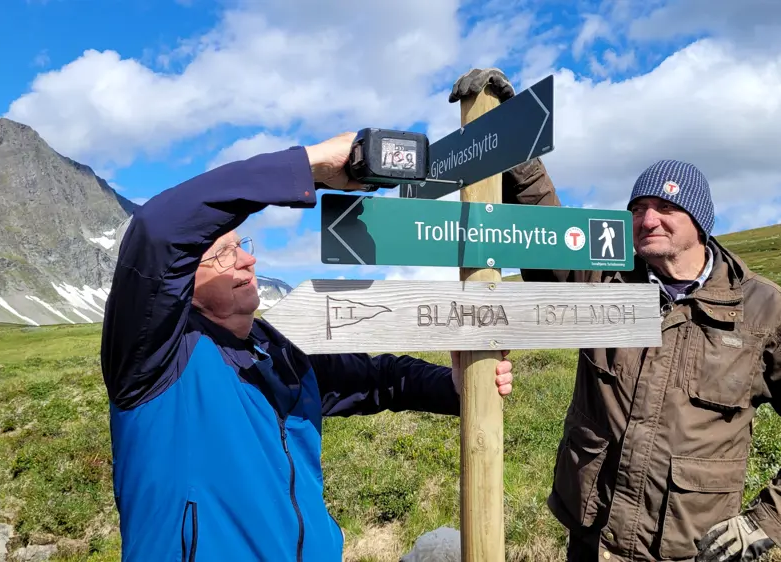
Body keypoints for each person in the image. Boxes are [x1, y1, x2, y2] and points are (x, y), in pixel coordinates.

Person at [449, 69, 781, 561]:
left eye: (667, 207)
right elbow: (545, 227)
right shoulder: (606, 283)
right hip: (591, 542)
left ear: (701, 222)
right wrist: (513, 131)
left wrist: (767, 521)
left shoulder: (762, 311)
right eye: (639, 207)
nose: (649, 219)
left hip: (687, 551)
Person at [100, 132, 515, 562]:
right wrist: (313, 167)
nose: (246, 260)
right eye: (223, 254)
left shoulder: (275, 351)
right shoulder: (153, 357)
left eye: (242, 246)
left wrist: (458, 385)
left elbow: (380, 379)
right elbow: (158, 230)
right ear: (183, 277)